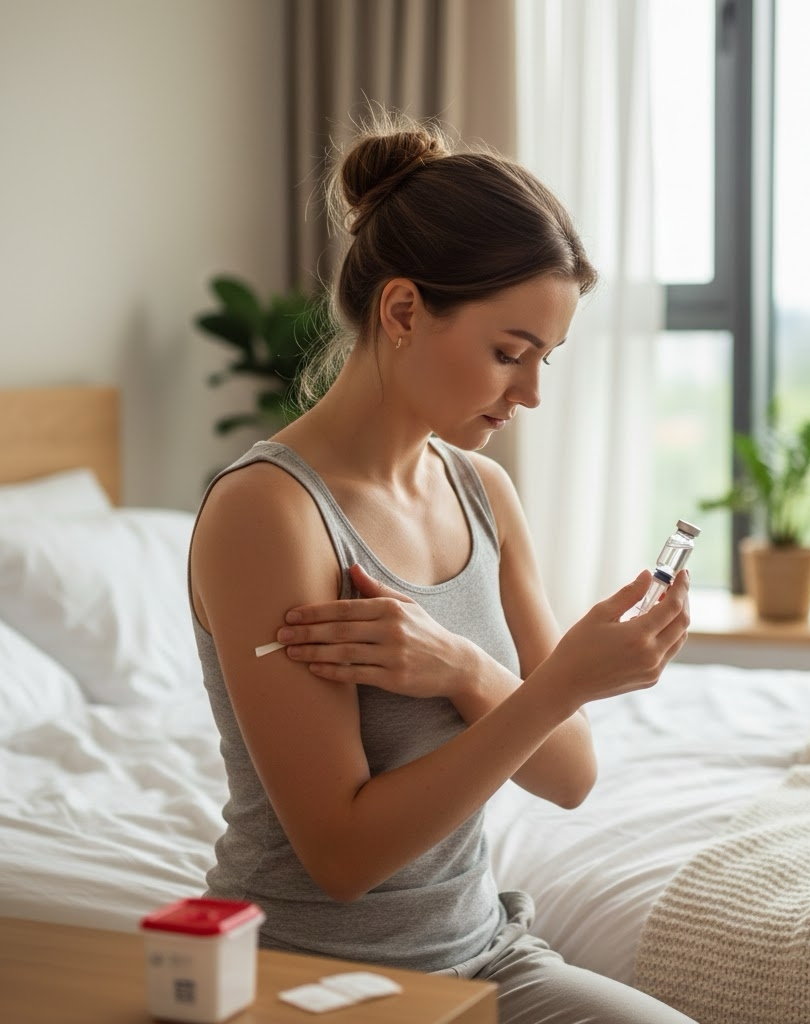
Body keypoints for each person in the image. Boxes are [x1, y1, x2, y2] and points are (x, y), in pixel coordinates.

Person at [188, 112, 695, 1024]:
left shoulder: (483, 492)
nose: (530, 392)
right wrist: (557, 686)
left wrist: (462, 668)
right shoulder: (270, 514)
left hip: (483, 954)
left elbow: (569, 776)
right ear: (403, 312)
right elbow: (342, 859)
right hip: (310, 979)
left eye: (544, 360)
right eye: (509, 353)